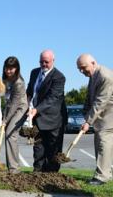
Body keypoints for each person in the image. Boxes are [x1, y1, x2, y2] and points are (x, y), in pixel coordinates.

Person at [26, 49, 67, 172]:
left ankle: (52, 175)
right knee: (38, 147)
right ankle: (37, 173)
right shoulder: (34, 72)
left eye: (46, 62)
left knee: (53, 150)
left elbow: (52, 98)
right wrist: (27, 104)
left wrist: (36, 110)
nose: (43, 64)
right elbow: (29, 91)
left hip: (54, 120)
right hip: (36, 119)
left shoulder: (59, 77)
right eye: (41, 62)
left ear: (53, 61)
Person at [76, 54, 113, 185]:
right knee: (100, 144)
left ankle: (102, 177)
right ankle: (106, 173)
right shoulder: (93, 76)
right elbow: (89, 97)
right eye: (79, 69)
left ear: (93, 62)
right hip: (101, 117)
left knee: (103, 143)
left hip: (109, 116)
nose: (82, 71)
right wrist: (85, 114)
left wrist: (88, 122)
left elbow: (100, 102)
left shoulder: (105, 76)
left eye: (83, 67)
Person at [2, 56, 28, 174]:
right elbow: (6, 101)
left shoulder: (19, 83)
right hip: (10, 108)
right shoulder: (6, 81)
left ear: (17, 68)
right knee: (7, 134)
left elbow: (14, 104)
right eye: (7, 68)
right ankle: (11, 167)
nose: (9, 71)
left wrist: (5, 120)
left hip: (20, 109)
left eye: (11, 68)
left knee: (10, 134)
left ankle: (14, 169)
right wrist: (3, 117)